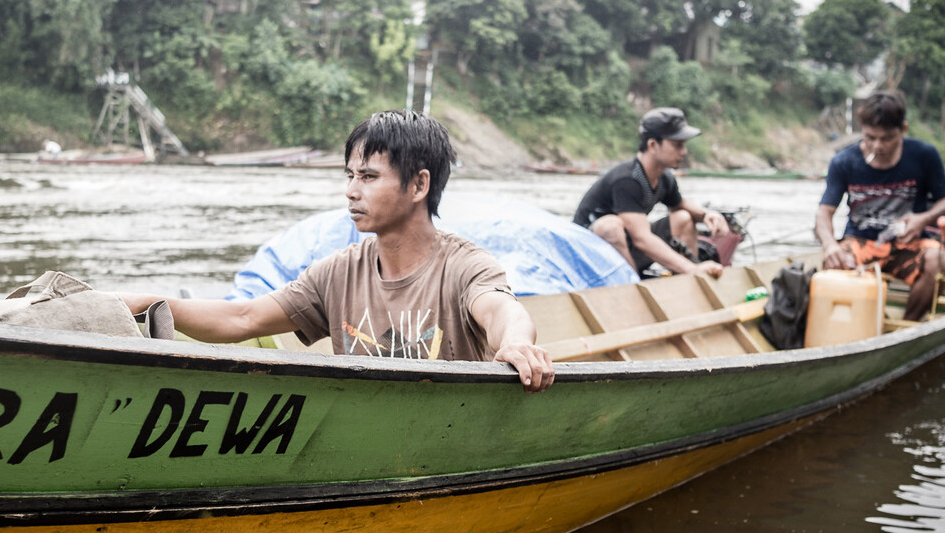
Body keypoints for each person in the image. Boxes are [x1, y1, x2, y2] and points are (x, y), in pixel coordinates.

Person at [120, 110, 555, 393]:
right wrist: (156, 302)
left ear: (419, 184)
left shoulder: (464, 266)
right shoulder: (339, 272)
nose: (350, 192)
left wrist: (517, 345)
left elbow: (502, 312)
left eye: (368, 177)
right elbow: (243, 318)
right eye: (349, 175)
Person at [814, 90, 945, 321]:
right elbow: (824, 212)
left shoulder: (924, 155)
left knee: (942, 260)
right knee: (835, 262)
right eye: (870, 137)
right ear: (862, 130)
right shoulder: (844, 162)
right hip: (861, 243)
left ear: (903, 129)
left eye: (887, 138)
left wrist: (923, 219)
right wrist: (830, 245)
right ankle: (859, 326)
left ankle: (908, 325)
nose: (877, 146)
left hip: (909, 244)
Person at [573, 107, 731, 278]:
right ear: (653, 145)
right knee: (610, 226)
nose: (684, 152)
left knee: (683, 217)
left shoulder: (664, 177)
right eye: (677, 145)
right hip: (591, 256)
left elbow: (680, 204)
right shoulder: (627, 180)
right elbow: (642, 239)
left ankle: (690, 282)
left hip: (626, 250)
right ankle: (632, 286)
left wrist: (707, 215)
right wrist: (690, 268)